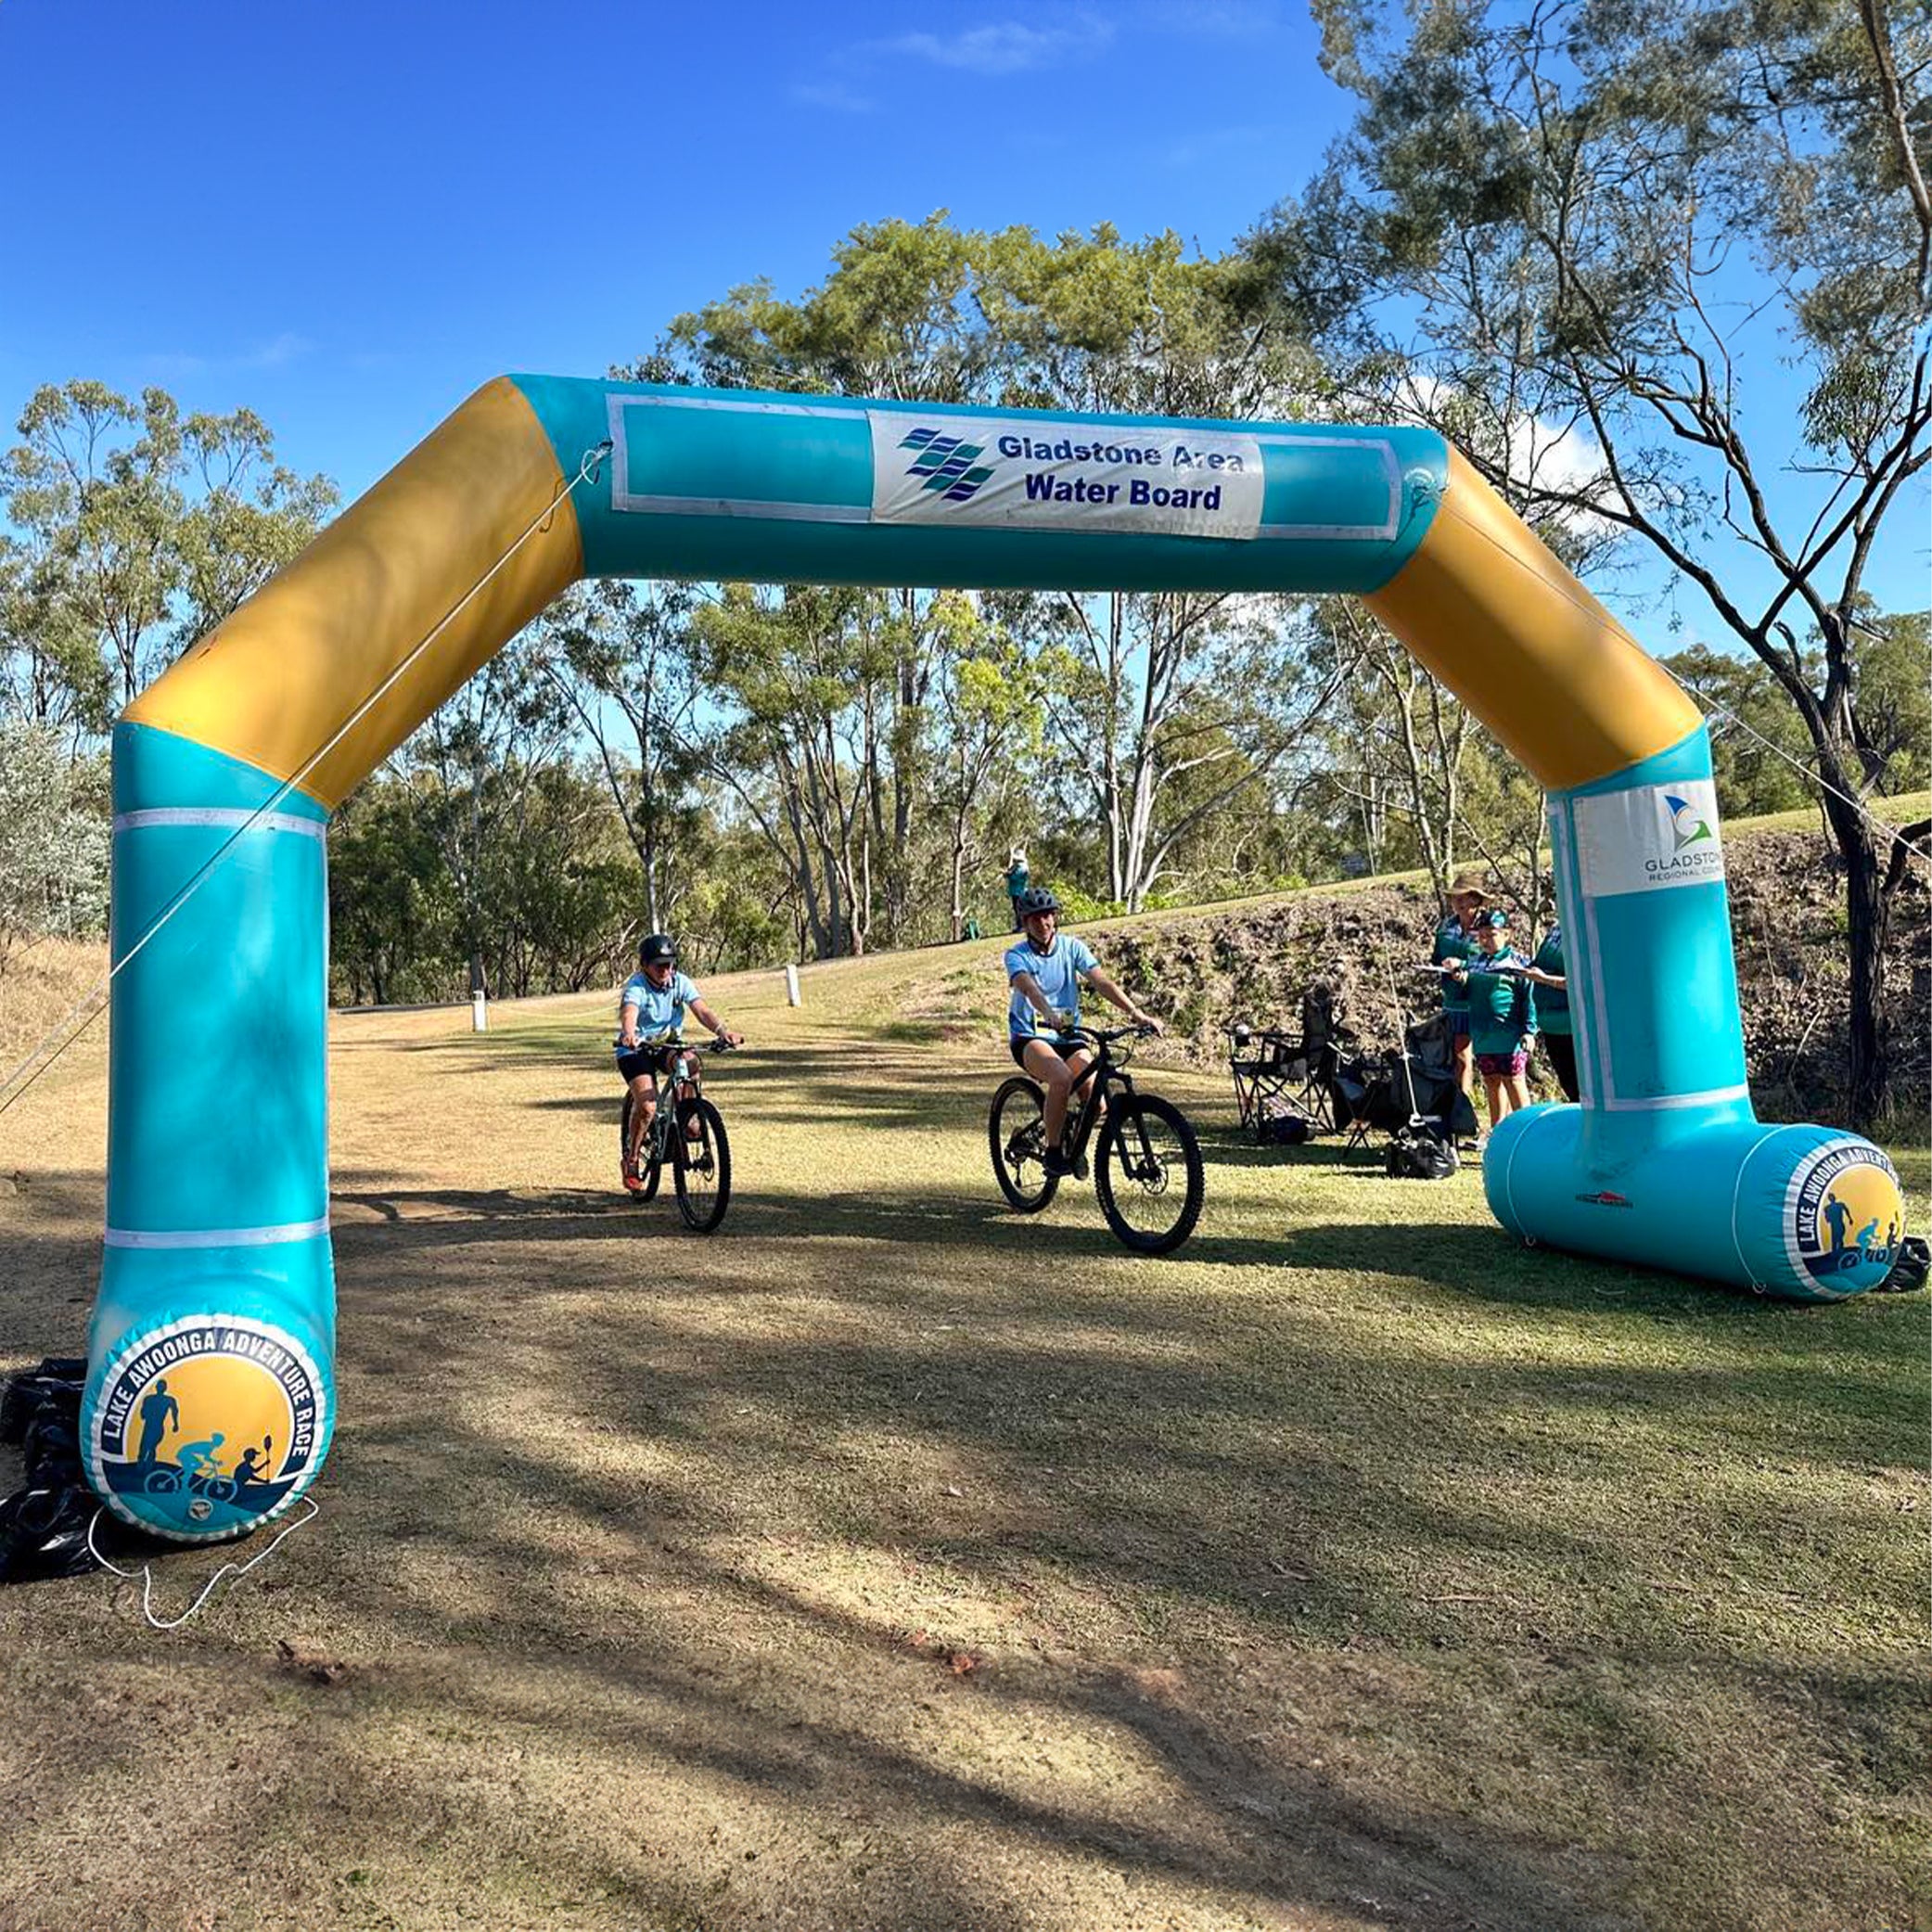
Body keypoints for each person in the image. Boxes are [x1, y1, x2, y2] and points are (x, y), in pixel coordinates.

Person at [1004, 887, 1162, 1175]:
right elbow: (1028, 988)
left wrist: (1137, 1014)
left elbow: (1102, 983)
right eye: (1036, 918)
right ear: (1025, 923)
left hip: (1067, 1034)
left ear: (1056, 918)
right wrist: (1048, 1013)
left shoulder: (1072, 947)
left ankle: (1071, 1141)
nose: (1044, 923)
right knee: (1062, 1078)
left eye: (1048, 916)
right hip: (1031, 1034)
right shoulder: (1017, 955)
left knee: (1097, 1104)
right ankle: (1053, 1153)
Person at [615, 934, 742, 1193]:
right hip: (635, 1050)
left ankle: (685, 1116)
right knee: (648, 1107)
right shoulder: (637, 986)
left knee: (691, 1062)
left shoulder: (679, 982)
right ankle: (631, 1159)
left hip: (667, 1046)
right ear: (645, 965)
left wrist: (722, 1031)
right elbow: (630, 1011)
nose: (666, 970)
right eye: (659, 965)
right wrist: (628, 1033)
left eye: (670, 964)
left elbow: (701, 1010)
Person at [1448, 908, 1537, 1140]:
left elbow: (1530, 999)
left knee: (1514, 1082)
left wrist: (1529, 1031)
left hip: (1510, 1037)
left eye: (1492, 934)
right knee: (1491, 1082)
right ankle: (1499, 1136)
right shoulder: (1475, 963)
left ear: (1507, 934)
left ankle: (1529, 1135)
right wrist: (1461, 980)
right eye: (1482, 935)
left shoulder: (1518, 963)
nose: (1486, 940)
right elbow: (1463, 996)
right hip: (1483, 1037)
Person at [1429, 872, 1489, 1108]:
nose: (1458, 903)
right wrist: (1439, 966)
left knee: (1490, 1061)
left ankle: (1500, 1118)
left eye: (1463, 898)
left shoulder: (1488, 926)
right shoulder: (1445, 927)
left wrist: (1463, 965)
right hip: (1454, 1001)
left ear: (1476, 899)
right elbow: (1436, 957)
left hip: (1482, 1000)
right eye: (1455, 898)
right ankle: (1460, 1109)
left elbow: (1492, 958)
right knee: (1460, 1058)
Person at [1518, 916, 1577, 1102]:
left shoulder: (1584, 931)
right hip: (1549, 1023)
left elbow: (1582, 981)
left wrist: (1544, 979)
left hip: (1570, 1024)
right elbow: (1540, 964)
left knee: (1579, 1088)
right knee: (1567, 1083)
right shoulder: (1556, 930)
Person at [1004, 848, 1030, 931]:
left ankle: (1022, 926)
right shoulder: (1016, 866)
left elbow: (1015, 877)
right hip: (1015, 891)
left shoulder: (1022, 867)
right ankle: (1019, 925)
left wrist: (1008, 875)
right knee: (1017, 909)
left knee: (1020, 909)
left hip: (1019, 892)